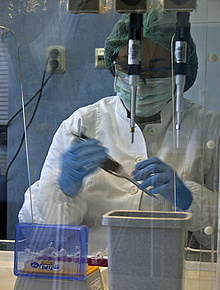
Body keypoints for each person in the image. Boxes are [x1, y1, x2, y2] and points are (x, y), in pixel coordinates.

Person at [19, 9, 219, 254]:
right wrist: (62, 190)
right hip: (91, 275)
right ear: (114, 66)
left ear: (181, 71)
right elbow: (36, 234)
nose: (141, 80)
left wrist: (190, 200)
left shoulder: (209, 128)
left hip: (173, 276)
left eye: (156, 69)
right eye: (128, 66)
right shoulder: (82, 123)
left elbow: (215, 243)